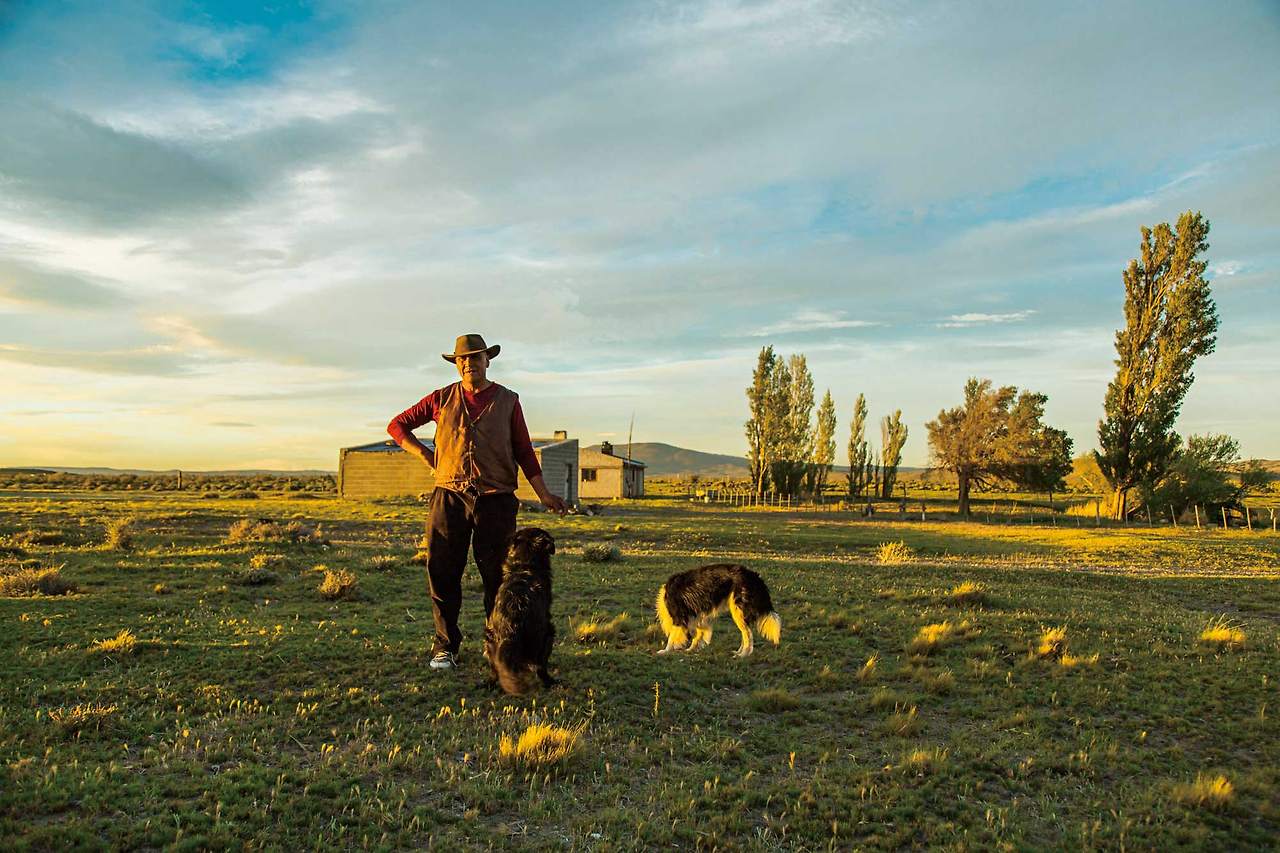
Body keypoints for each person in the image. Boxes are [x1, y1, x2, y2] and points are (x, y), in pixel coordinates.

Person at [388, 333, 568, 671]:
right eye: (462, 359)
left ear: (488, 361)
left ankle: (498, 645)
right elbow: (397, 426)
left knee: (499, 577)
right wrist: (427, 455)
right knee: (442, 572)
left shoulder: (508, 401)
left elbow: (525, 451)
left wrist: (543, 493)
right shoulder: (440, 399)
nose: (469, 364)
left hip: (496, 500)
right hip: (449, 497)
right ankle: (446, 647)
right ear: (456, 364)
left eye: (475, 358)